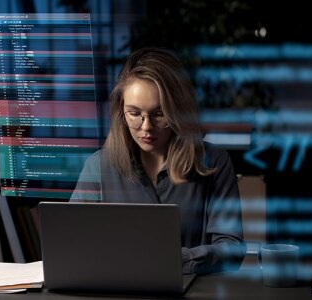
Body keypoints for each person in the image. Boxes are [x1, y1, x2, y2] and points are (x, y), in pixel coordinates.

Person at [70, 47, 246, 275]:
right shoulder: (98, 166)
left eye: (159, 114)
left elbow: (231, 249)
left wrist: (172, 260)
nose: (146, 127)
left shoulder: (214, 162)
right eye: (134, 113)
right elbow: (72, 243)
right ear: (120, 112)